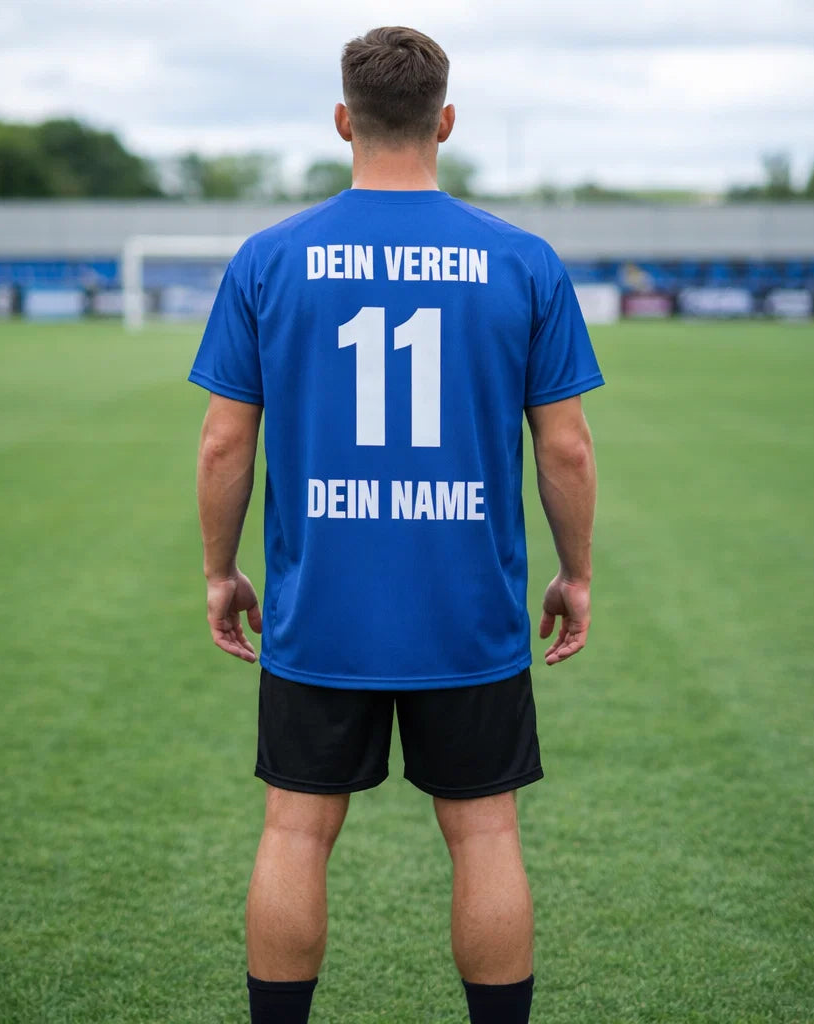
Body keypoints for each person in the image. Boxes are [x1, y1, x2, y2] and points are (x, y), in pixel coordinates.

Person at [190, 26, 602, 1024]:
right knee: (485, 835)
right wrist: (574, 574)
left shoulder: (269, 258)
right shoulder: (521, 260)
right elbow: (566, 449)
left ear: (343, 121)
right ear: (445, 122)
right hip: (466, 610)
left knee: (294, 831)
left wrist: (219, 571)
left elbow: (220, 443)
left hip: (319, 604)